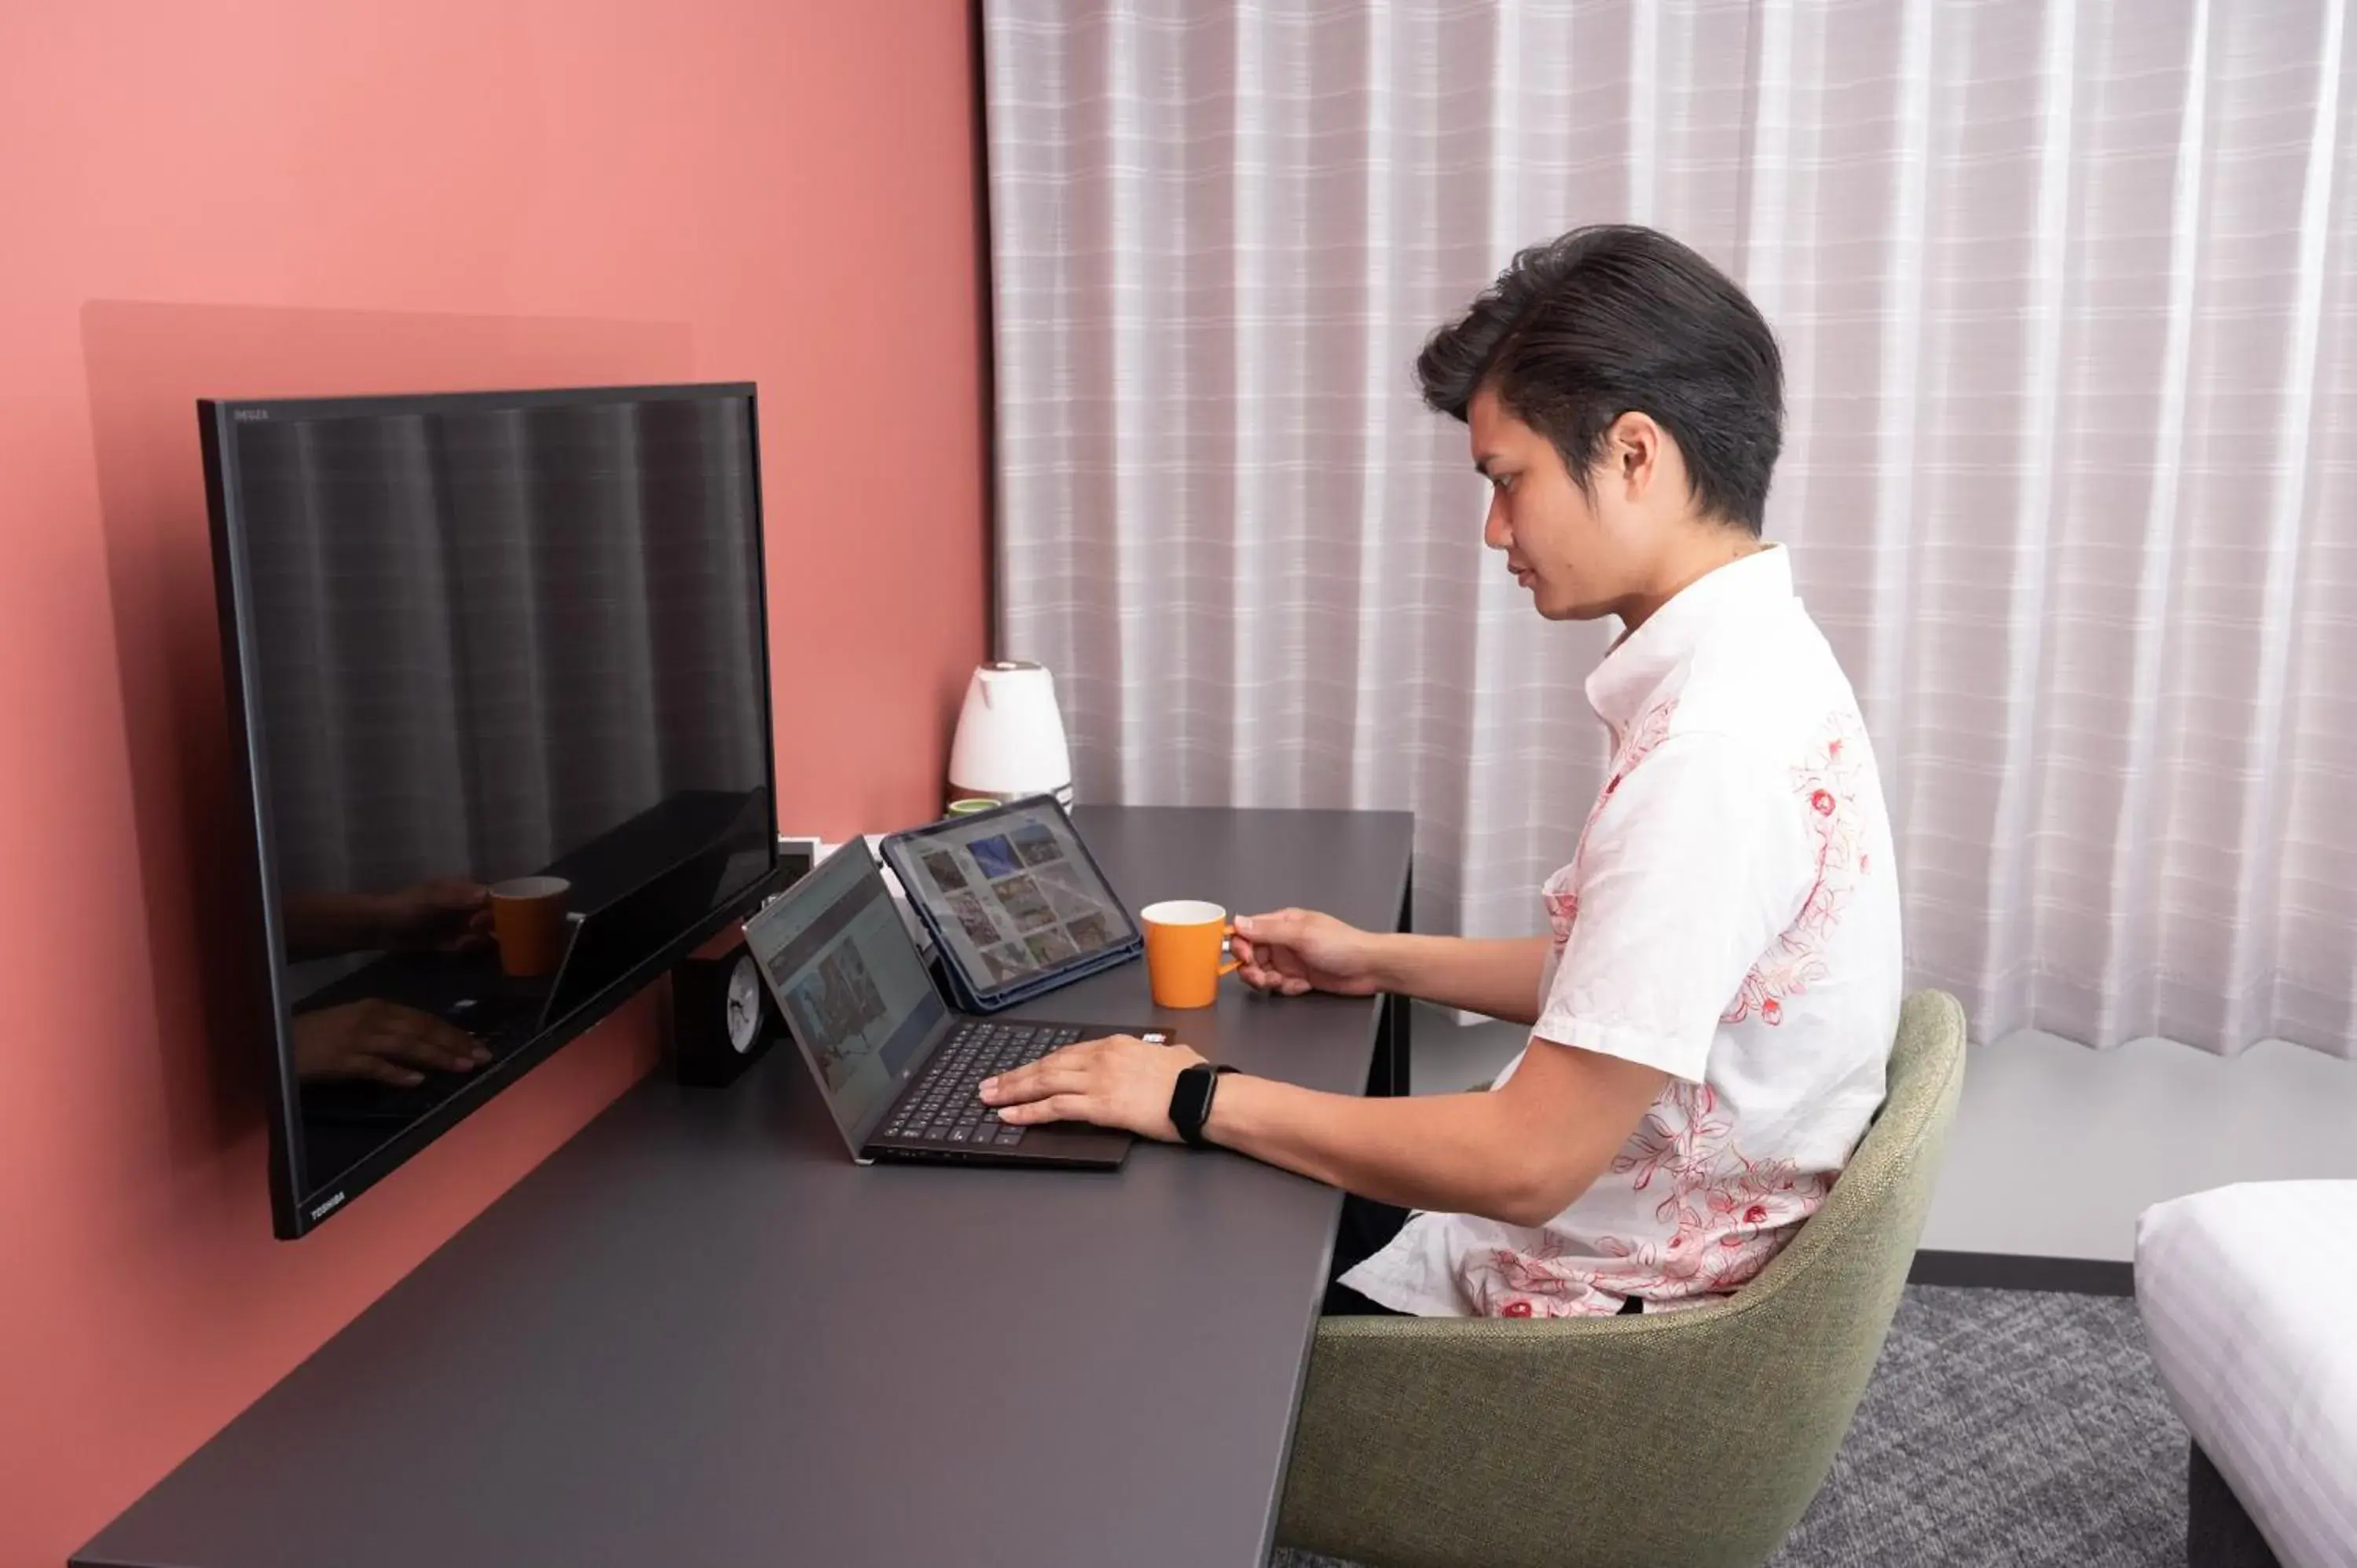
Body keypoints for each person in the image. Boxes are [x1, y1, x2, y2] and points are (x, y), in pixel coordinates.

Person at [980, 224, 1903, 1318]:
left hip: (1574, 1307)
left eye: (1508, 481)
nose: (1493, 530)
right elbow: (1635, 981)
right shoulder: (1766, 659)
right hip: (1618, 1241)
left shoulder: (1711, 754)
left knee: (1131, 1253)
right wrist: (1373, 958)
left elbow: (1529, 1161)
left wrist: (1189, 1097)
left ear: (1635, 455)